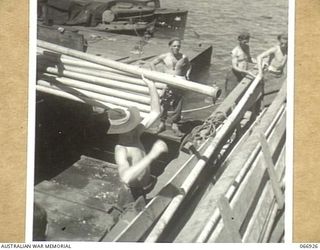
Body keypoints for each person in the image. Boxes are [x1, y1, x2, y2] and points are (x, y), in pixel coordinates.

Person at [108, 75, 168, 210]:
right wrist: (153, 155)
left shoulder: (136, 133)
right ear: (121, 131)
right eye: (130, 126)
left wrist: (151, 85)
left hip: (142, 187)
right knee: (126, 218)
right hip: (130, 193)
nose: (135, 126)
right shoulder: (121, 149)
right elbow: (126, 177)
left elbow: (155, 112)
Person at [149, 38, 191, 136]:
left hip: (179, 82)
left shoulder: (184, 57)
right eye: (174, 46)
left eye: (178, 46)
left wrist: (187, 75)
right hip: (167, 82)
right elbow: (152, 63)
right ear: (170, 46)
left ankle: (174, 125)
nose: (177, 48)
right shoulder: (164, 56)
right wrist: (157, 74)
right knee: (164, 102)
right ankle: (162, 124)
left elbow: (189, 66)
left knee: (178, 103)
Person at [256, 33, 288, 105]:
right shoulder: (275, 49)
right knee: (263, 95)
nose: (283, 45)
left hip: (280, 75)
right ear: (279, 41)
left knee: (276, 95)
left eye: (285, 44)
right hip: (270, 74)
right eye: (282, 43)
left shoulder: (288, 50)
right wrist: (260, 73)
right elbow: (259, 57)